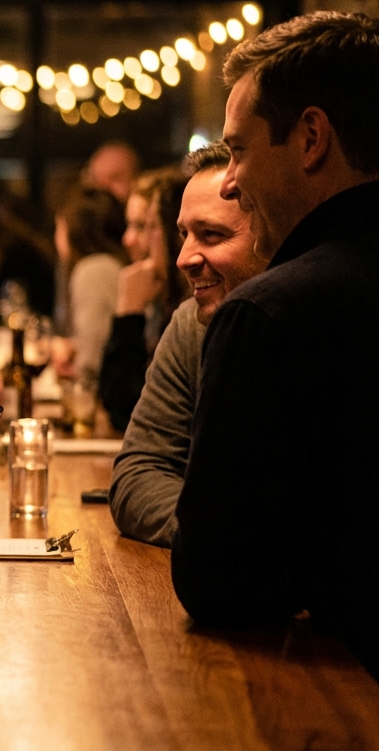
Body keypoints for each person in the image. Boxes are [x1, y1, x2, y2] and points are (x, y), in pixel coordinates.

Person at [171, 12, 379, 687]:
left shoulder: (272, 314)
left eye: (236, 150)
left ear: (311, 137)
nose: (230, 181)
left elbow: (219, 586)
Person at [109, 142, 267, 547]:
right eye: (183, 234)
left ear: (270, 234)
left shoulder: (323, 322)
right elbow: (137, 475)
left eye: (211, 235)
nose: (184, 258)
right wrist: (235, 541)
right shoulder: (190, 326)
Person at [98, 168, 191, 430]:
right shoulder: (159, 303)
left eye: (145, 226)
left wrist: (129, 313)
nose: (128, 240)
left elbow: (129, 411)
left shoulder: (192, 311)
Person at [52, 187, 126, 379]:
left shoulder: (94, 271)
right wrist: (75, 346)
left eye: (59, 227)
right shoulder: (114, 265)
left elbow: (92, 365)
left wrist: (72, 368)